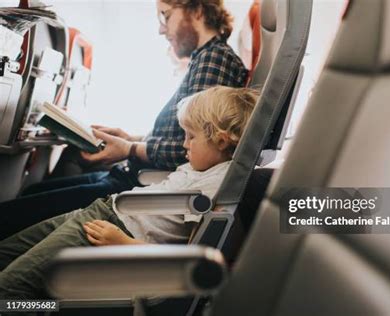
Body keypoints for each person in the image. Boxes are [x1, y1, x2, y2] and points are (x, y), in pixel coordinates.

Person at [0, 0, 249, 240]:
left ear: (196, 9)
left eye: (166, 15)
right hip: (131, 175)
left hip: (137, 185)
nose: (161, 29)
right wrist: (129, 138)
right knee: (33, 193)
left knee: (12, 215)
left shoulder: (214, 59)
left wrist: (129, 148)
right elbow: (182, 136)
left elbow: (190, 151)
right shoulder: (203, 59)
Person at [0, 86, 259, 299]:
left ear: (222, 141)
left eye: (190, 137)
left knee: (10, 289)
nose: (184, 144)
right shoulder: (205, 165)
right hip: (102, 212)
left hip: (113, 230)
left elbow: (187, 258)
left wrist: (124, 244)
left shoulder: (216, 182)